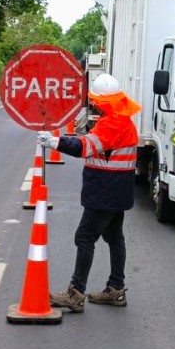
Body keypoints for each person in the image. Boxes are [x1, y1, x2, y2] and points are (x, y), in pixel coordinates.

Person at [37, 73, 141, 313]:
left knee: (84, 237)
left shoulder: (112, 123)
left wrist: (55, 142)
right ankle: (116, 289)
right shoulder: (123, 120)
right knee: (114, 238)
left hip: (105, 192)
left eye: (96, 99)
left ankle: (75, 293)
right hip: (118, 191)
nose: (93, 103)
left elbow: (85, 147)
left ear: (103, 101)